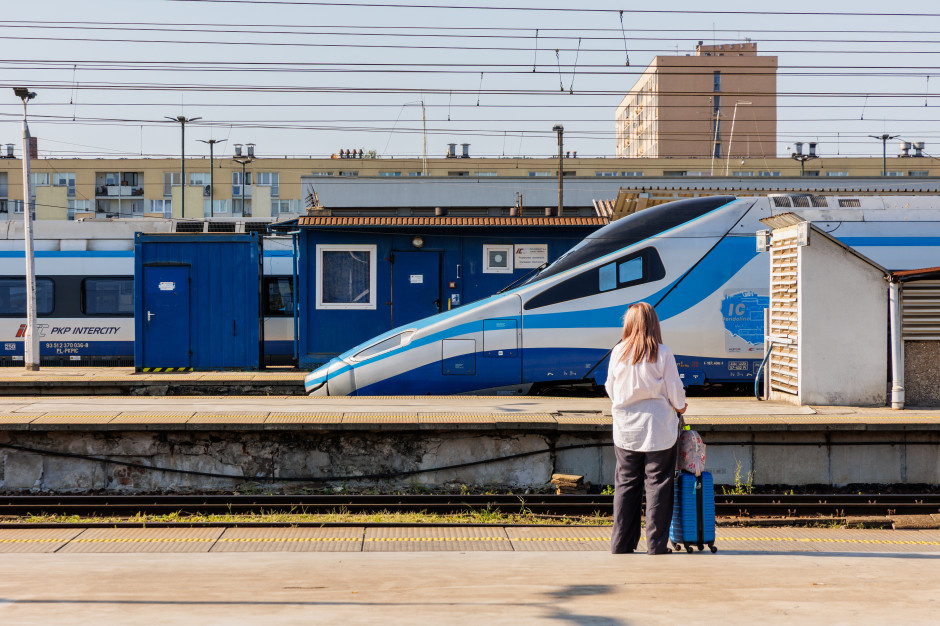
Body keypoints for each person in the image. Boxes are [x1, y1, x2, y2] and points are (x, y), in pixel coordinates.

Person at [605, 302, 687, 555]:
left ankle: (621, 543)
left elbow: (610, 388)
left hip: (626, 428)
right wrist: (681, 407)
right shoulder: (663, 353)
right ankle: (655, 545)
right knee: (658, 484)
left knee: (626, 484)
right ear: (654, 323)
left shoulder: (617, 352)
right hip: (658, 429)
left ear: (628, 324)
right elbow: (675, 391)